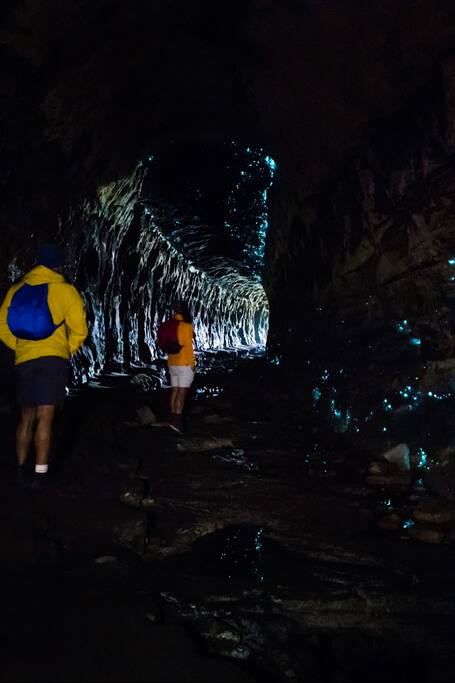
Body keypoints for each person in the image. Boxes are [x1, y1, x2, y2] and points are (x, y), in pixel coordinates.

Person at [0, 243, 88, 490]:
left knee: (26, 416)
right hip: (52, 359)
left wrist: (20, 348)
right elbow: (80, 330)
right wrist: (66, 350)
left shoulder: (16, 290)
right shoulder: (65, 290)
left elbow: (3, 328)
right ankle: (40, 475)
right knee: (46, 417)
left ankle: (20, 469)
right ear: (59, 266)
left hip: (25, 359)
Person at [167, 300, 195, 434]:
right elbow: (188, 348)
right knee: (182, 393)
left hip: (172, 362)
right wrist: (192, 364)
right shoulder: (186, 326)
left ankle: (172, 418)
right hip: (184, 363)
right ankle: (177, 422)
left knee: (175, 390)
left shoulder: (170, 325)